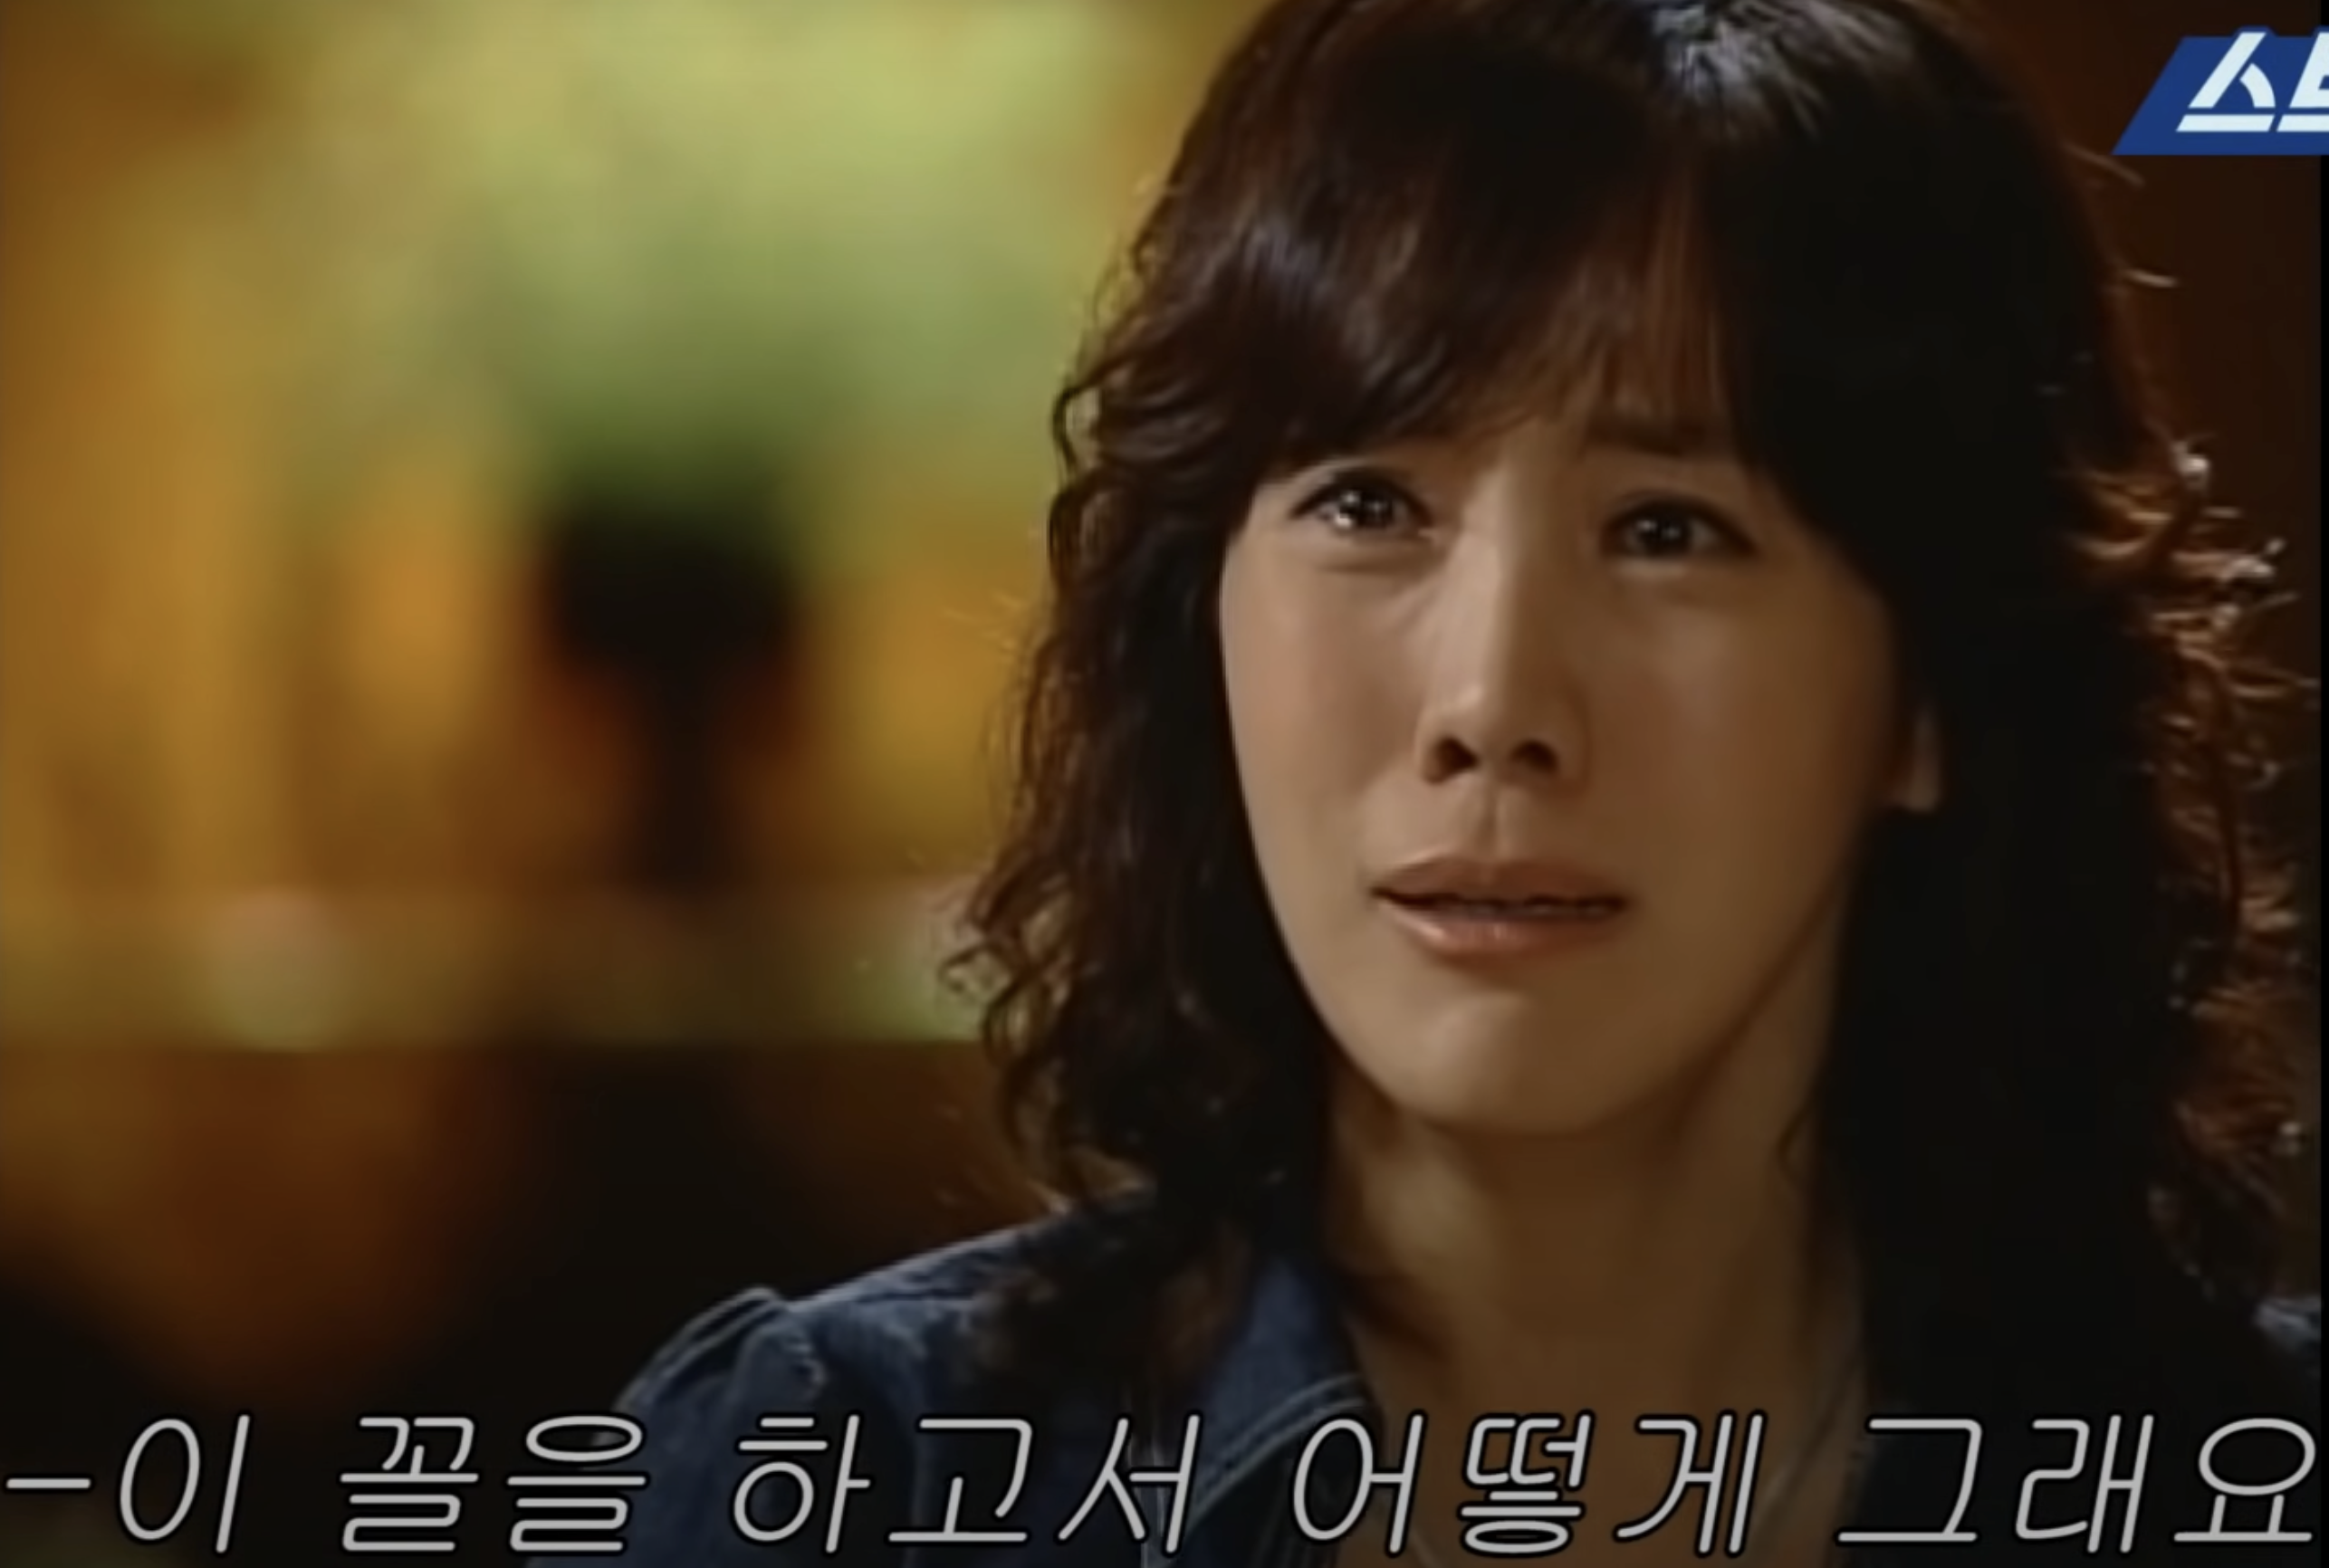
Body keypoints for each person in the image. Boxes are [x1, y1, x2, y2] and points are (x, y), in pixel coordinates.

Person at [541, 1, 2320, 1563]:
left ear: (1930, 688)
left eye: (1667, 529)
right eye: (1367, 503)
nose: (1490, 705)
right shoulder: (861, 1485)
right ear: (1201, 618)